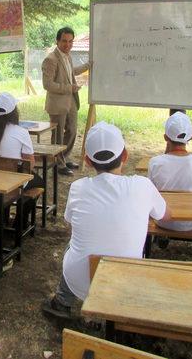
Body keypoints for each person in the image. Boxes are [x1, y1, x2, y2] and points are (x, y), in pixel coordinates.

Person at [42, 122, 171, 319]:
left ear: (88, 160)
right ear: (125, 156)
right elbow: (165, 216)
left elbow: (69, 220)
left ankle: (61, 301)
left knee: (75, 243)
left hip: (81, 279)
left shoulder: (78, 187)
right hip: (126, 280)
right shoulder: (143, 185)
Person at [0, 93, 45, 274]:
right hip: (12, 184)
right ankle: (19, 223)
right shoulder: (21, 132)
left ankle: (13, 221)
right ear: (14, 111)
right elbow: (30, 162)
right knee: (40, 183)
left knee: (30, 181)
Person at [148, 112, 192, 249]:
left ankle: (162, 236)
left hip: (162, 220)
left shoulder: (155, 162)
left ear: (165, 137)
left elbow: (151, 190)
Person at [42, 27, 90, 176]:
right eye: (64, 41)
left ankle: (64, 157)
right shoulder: (50, 59)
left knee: (73, 131)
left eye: (70, 41)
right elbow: (47, 84)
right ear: (57, 41)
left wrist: (88, 65)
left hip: (71, 102)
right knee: (57, 136)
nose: (67, 44)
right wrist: (70, 88)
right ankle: (58, 164)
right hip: (57, 104)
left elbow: (70, 71)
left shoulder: (67, 56)